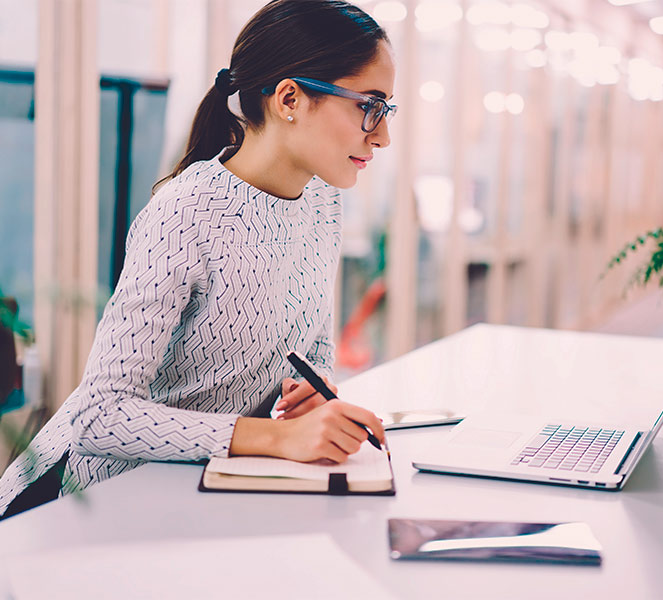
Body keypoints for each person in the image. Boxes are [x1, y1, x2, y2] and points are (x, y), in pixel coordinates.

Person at [0, 0, 394, 519]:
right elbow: (99, 416)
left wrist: (312, 395)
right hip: (91, 505)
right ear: (290, 98)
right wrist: (272, 439)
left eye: (386, 111)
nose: (382, 135)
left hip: (204, 492)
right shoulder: (186, 213)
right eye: (369, 106)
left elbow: (312, 345)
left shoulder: (323, 201)